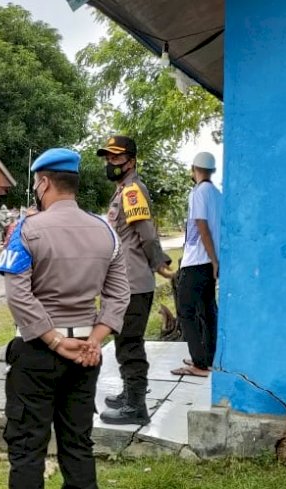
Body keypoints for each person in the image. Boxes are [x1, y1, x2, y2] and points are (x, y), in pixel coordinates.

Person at [0, 148, 130, 489]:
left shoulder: (26, 230)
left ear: (43, 183)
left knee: (28, 448)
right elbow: (119, 295)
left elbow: (18, 294)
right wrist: (94, 341)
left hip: (37, 352)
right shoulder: (106, 231)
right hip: (86, 353)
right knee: (77, 445)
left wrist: (56, 340)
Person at [97, 135, 172, 426]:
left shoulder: (131, 192)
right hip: (125, 282)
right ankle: (130, 393)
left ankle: (136, 406)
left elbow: (147, 234)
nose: (110, 163)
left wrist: (159, 263)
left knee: (130, 343)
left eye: (115, 158)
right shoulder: (123, 190)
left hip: (134, 283)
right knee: (123, 340)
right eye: (108, 158)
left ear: (131, 160)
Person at [170, 152, 222, 378]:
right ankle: (208, 359)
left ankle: (199, 365)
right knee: (208, 311)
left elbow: (201, 225)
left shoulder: (198, 192)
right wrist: (215, 261)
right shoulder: (217, 194)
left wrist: (212, 258)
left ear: (194, 169)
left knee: (186, 310)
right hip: (209, 264)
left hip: (197, 262)